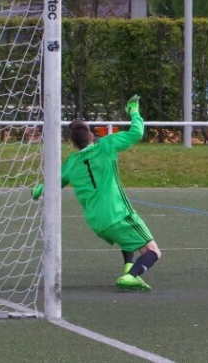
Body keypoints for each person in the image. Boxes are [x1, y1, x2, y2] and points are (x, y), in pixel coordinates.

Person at [31, 95, 160, 292]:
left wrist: (38, 191)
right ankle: (130, 276)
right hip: (117, 215)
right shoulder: (107, 145)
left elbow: (51, 185)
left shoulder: (71, 163)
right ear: (92, 135)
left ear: (73, 144)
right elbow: (137, 133)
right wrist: (134, 111)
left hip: (96, 222)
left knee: (126, 235)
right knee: (153, 251)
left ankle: (128, 265)